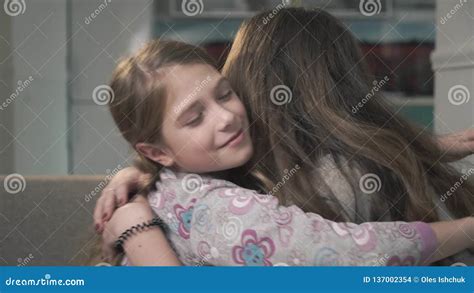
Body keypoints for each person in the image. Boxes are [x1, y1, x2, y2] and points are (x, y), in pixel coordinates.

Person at [91, 39, 474, 266]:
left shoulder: (168, 182)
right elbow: (345, 255)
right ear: (156, 152)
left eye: (225, 93)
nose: (226, 117)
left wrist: (426, 147)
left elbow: (317, 142)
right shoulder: (219, 211)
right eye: (194, 118)